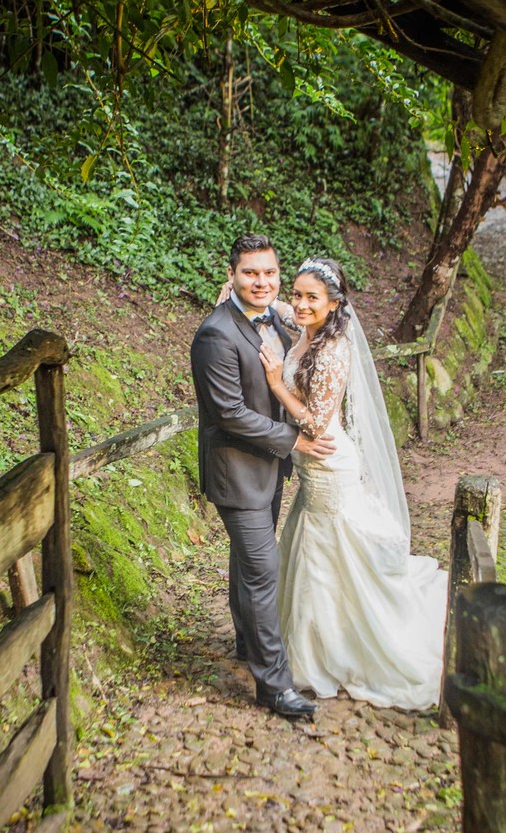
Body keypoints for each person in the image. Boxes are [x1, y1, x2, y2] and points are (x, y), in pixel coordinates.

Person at [259, 256, 449, 711]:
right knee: (314, 551)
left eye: (312, 298)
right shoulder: (308, 327)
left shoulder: (330, 351)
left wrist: (276, 383)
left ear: (334, 304)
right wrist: (245, 293)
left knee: (329, 555)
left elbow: (316, 424)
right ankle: (315, 643)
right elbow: (281, 309)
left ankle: (338, 651)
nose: (301, 305)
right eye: (298, 294)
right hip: (313, 469)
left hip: (328, 464)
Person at [190, 234, 334, 720]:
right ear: (231, 274)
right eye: (250, 272)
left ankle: (246, 640)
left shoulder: (276, 318)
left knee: (248, 563)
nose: (261, 281)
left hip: (268, 468)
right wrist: (295, 439)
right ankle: (274, 686)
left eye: (269, 272)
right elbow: (229, 412)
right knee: (262, 571)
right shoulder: (215, 335)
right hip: (237, 473)